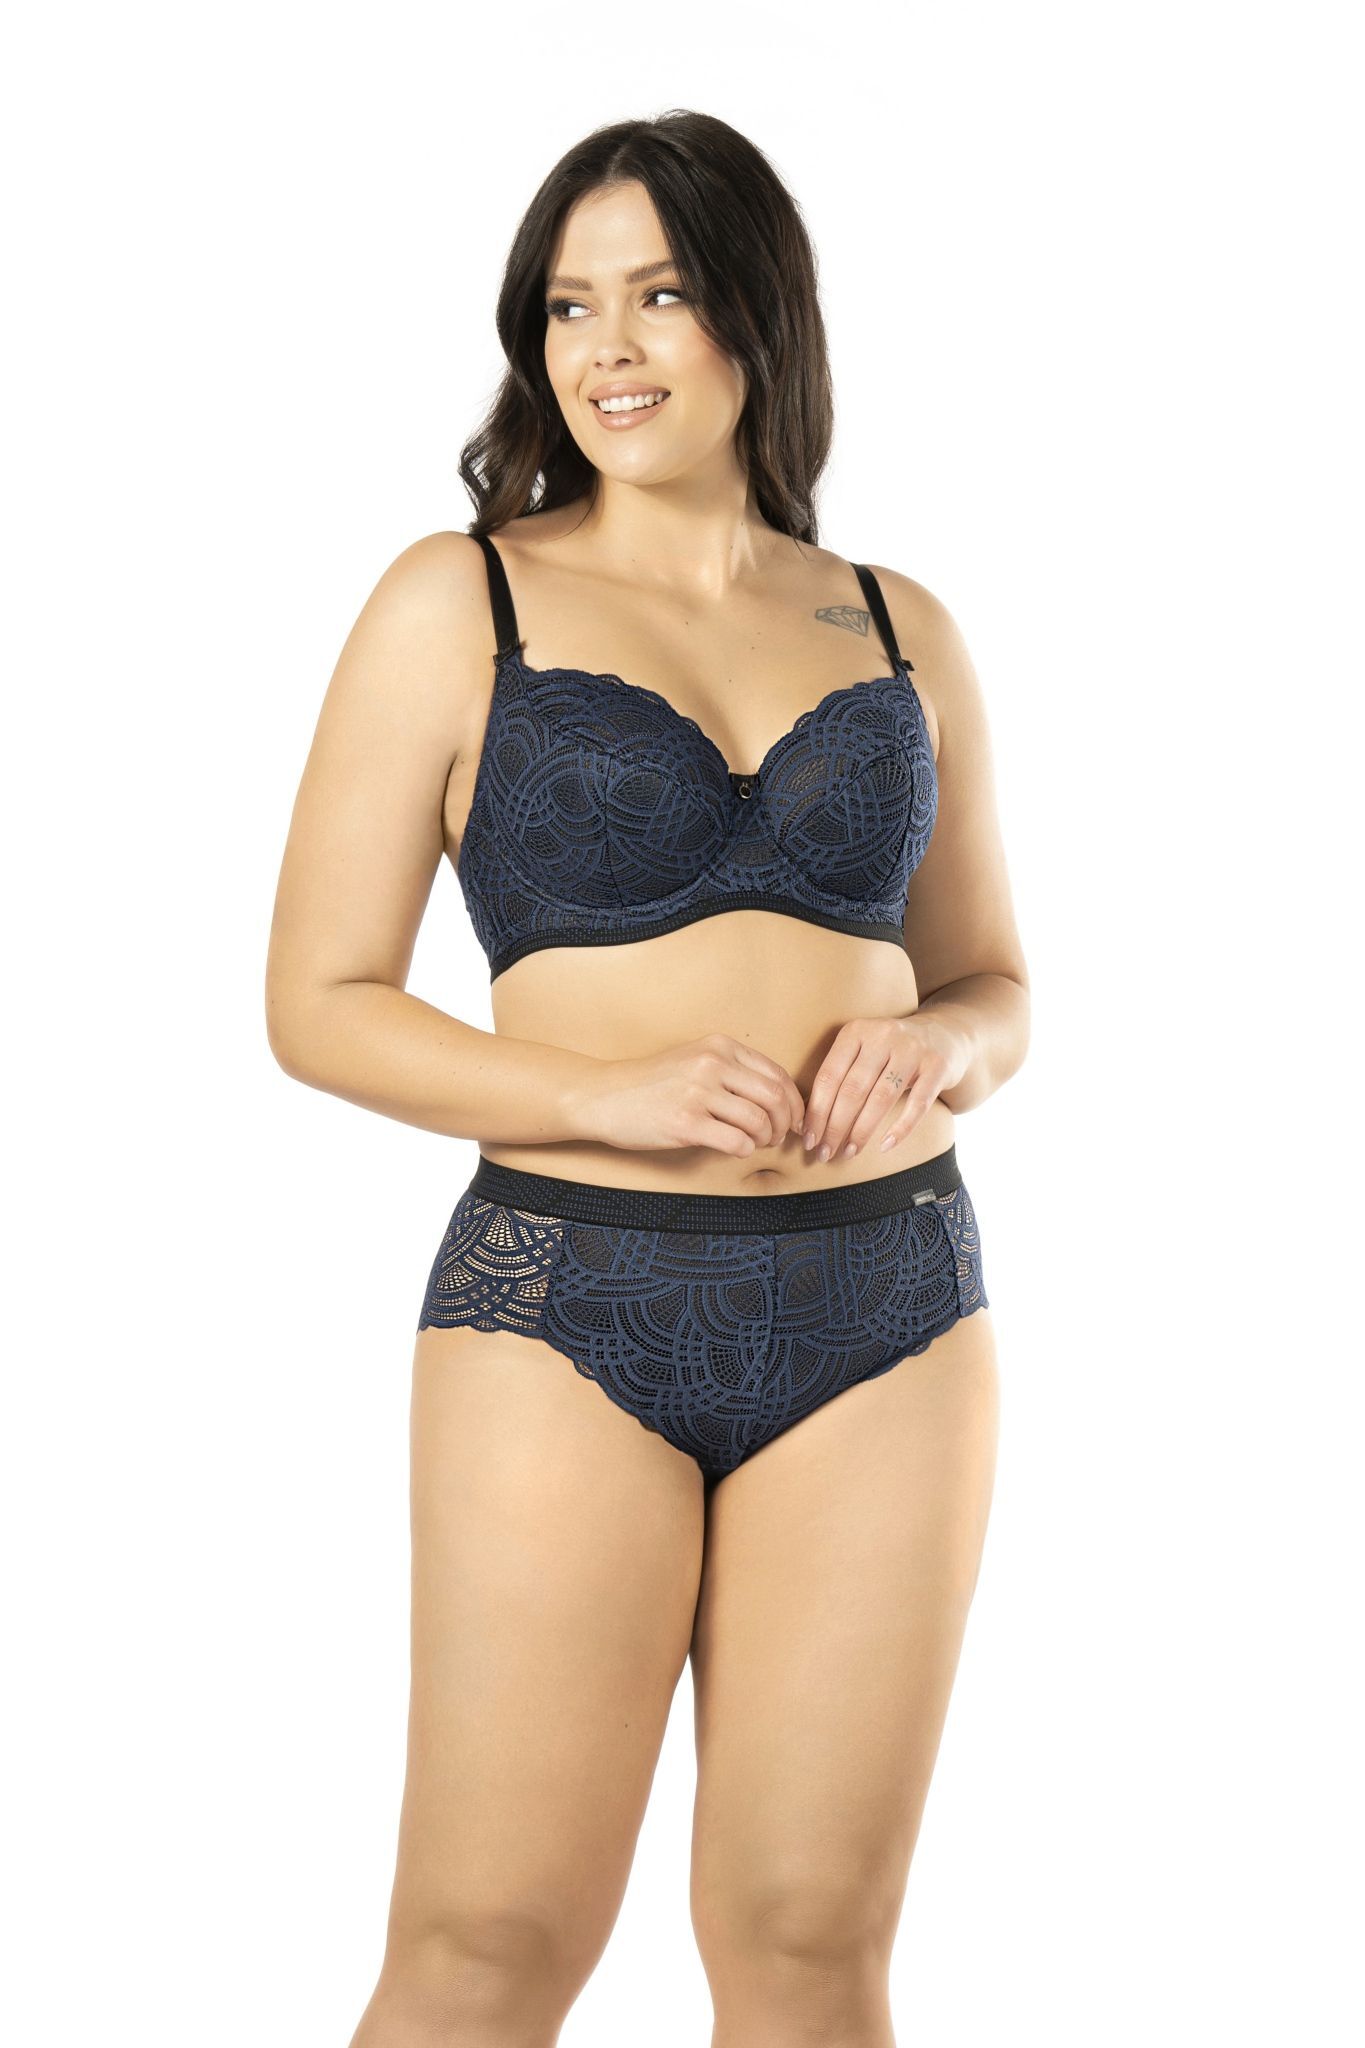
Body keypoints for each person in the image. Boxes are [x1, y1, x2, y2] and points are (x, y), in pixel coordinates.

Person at [267, 108, 1029, 2048]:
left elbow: (996, 985)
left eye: (660, 296)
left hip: (887, 1304)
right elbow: (316, 1001)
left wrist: (937, 1043)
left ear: (756, 315)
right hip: (563, 1301)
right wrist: (593, 1096)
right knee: (485, 1943)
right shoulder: (457, 601)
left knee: (806, 1944)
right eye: (567, 306)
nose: (606, 348)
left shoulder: (896, 624)